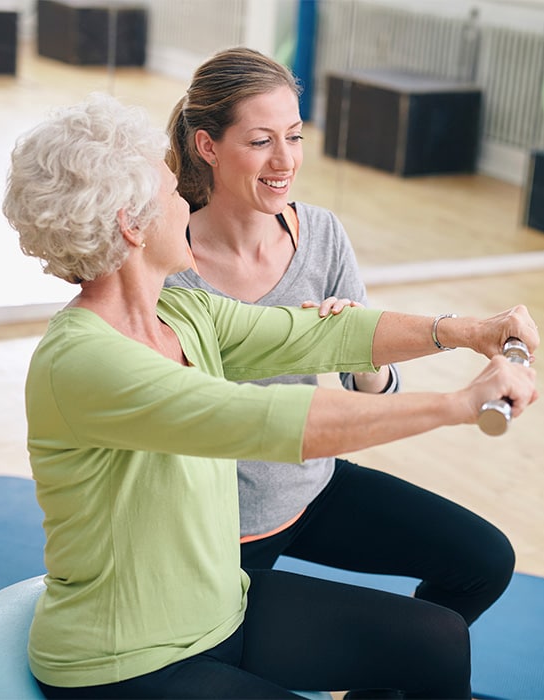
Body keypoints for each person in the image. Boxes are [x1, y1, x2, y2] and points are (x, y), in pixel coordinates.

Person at [2, 91, 538, 699]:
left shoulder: (182, 312)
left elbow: (323, 331)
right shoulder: (84, 362)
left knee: (436, 638)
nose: (187, 201)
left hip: (224, 606)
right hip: (132, 657)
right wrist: (459, 405)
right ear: (132, 223)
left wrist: (474, 331)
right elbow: (261, 419)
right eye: (174, 193)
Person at [166, 46, 517, 630]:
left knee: (484, 562)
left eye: (295, 136)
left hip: (312, 487)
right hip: (218, 525)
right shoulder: (168, 264)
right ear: (208, 146)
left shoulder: (322, 234)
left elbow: (369, 393)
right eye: (260, 141)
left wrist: (357, 342)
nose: (285, 160)